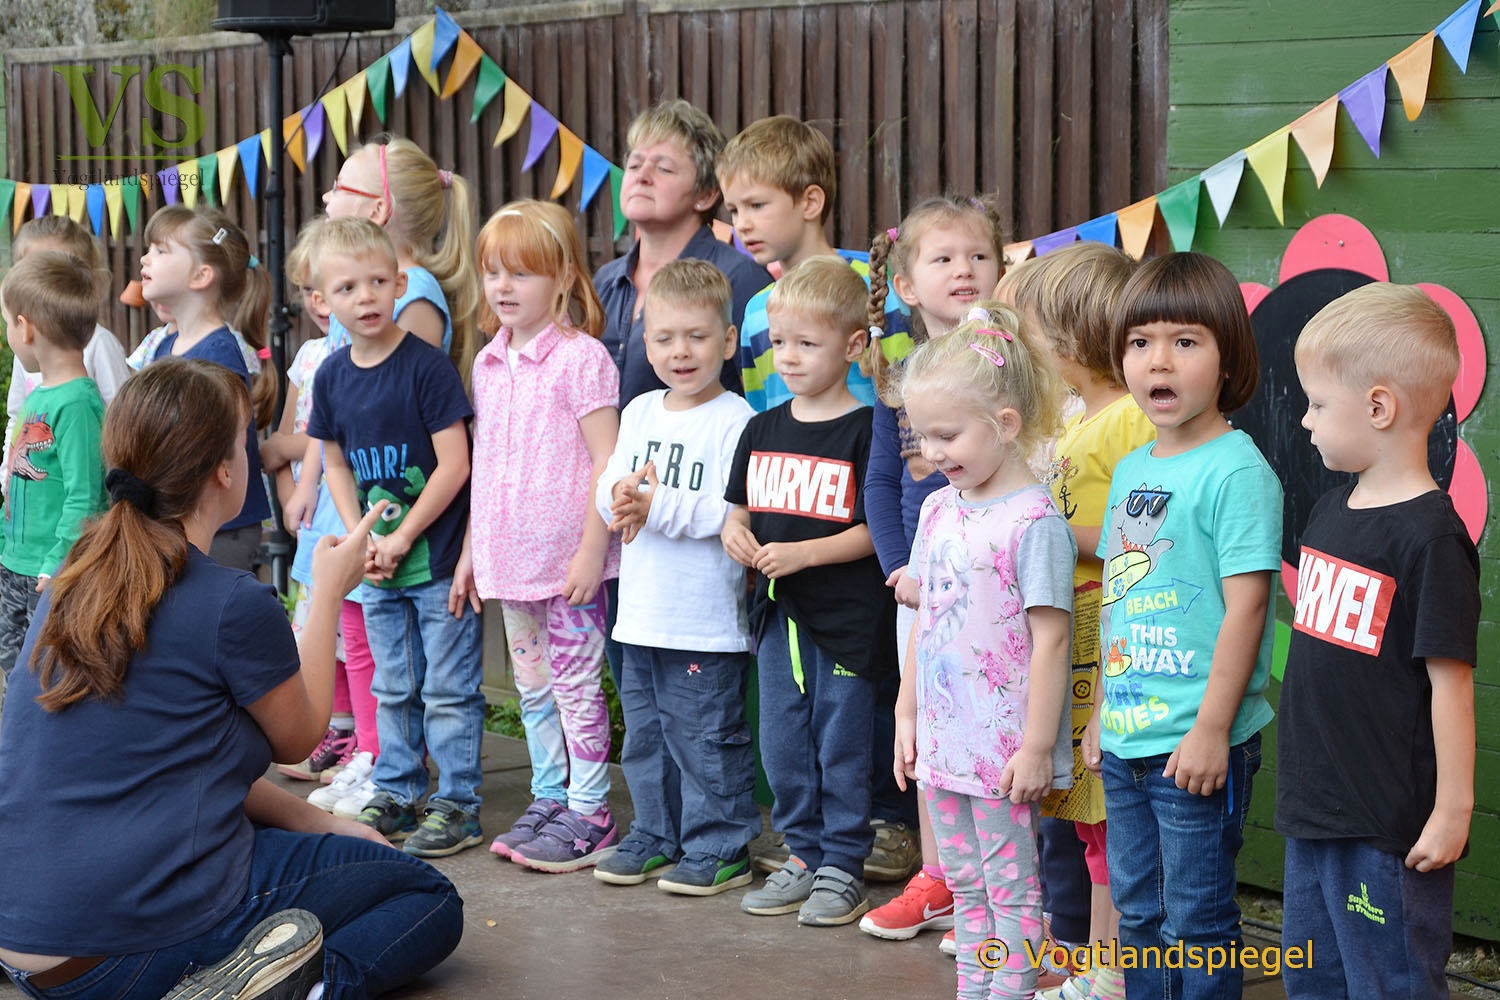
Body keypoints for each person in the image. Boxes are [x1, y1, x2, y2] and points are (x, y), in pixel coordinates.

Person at [0, 358, 462, 1000]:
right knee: (427, 895)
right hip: (117, 954)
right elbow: (300, 739)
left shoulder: (77, 576)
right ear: (224, 469)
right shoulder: (229, 602)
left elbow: (178, 769)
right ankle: (305, 989)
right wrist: (326, 594)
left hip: (28, 947)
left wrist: (320, 823)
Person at [1082, 252, 1281, 1000]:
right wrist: (1102, 708)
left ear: (1229, 358)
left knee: (1195, 921)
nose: (1158, 360)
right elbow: (1119, 597)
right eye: (1140, 342)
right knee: (1138, 913)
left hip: (1196, 746)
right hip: (1129, 736)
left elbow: (1249, 608)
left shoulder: (1237, 472)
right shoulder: (1133, 469)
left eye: (1185, 341)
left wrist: (1210, 729)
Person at [1277, 283, 1478, 1000]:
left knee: (1388, 981)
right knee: (1315, 978)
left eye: (1318, 404)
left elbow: (1451, 686)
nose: (1304, 421)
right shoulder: (1332, 508)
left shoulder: (1430, 537)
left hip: (1386, 825)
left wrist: (1452, 809)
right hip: (1315, 807)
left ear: (1380, 408)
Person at [893, 303, 1076, 1000]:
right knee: (964, 879)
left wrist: (1036, 746)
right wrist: (907, 714)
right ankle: (977, 985)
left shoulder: (1033, 524)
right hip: (942, 734)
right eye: (922, 434)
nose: (933, 452)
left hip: (1001, 746)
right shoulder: (940, 508)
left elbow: (1052, 637)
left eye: (947, 434)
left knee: (1011, 882)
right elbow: (928, 619)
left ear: (1004, 424)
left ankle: (1015, 987)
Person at [721, 257, 897, 926]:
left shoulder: (868, 428)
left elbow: (878, 531)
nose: (788, 358)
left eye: (807, 343)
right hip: (777, 619)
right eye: (780, 342)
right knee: (784, 745)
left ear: (853, 346)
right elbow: (737, 510)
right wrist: (735, 535)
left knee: (842, 744)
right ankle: (804, 852)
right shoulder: (761, 428)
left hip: (847, 622)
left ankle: (844, 866)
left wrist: (805, 553)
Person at [304, 218, 484, 859]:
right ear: (324, 302)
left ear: (400, 283)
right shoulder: (331, 378)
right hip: (376, 566)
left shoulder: (427, 369)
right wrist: (362, 541)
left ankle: (458, 801)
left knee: (448, 689)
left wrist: (402, 535)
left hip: (431, 561)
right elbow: (335, 465)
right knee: (392, 684)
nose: (367, 296)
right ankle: (400, 787)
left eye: (379, 282)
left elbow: (455, 464)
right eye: (349, 287)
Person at [454, 200, 621, 873]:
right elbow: (486, 464)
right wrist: (471, 550)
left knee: (578, 686)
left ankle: (591, 810)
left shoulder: (582, 360)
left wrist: (592, 548)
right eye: (493, 272)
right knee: (533, 689)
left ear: (561, 278)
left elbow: (608, 460)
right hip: (508, 561)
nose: (503, 287)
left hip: (568, 564)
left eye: (521, 273)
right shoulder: (489, 363)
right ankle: (549, 795)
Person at [858, 196, 1007, 947]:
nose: (963, 270)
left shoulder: (1010, 361)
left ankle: (998, 886)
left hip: (990, 578)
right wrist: (896, 569)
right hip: (920, 581)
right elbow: (883, 480)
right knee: (924, 732)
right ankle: (941, 876)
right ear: (909, 284)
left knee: (992, 729)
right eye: (943, 258)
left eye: (978, 256)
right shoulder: (899, 370)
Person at [591, 260, 759, 895]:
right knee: (646, 736)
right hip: (640, 616)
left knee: (706, 739)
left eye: (696, 336)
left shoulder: (735, 420)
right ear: (644, 341)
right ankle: (656, 834)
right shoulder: (638, 412)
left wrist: (652, 506)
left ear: (728, 340)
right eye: (664, 338)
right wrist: (622, 500)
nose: (680, 351)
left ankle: (721, 843)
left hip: (703, 622)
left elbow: (729, 512)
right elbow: (611, 483)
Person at [1005, 242, 1144, 1000]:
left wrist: (1045, 535)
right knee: (1087, 821)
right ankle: (1094, 959)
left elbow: (1137, 541)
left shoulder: (1122, 423)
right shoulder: (1080, 420)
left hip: (1102, 628)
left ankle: (1114, 965)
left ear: (1068, 337)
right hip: (1073, 627)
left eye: (1028, 334)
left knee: (1107, 814)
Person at [266, 220, 379, 808]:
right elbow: (292, 436)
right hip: (316, 512)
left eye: (323, 288)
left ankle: (365, 738)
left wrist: (304, 473)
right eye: (312, 291)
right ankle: (335, 726)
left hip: (344, 506)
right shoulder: (309, 355)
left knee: (350, 631)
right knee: (314, 622)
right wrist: (294, 484)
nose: (319, 302)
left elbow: (321, 437)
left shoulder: (346, 352)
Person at [716, 115, 911, 412]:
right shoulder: (757, 312)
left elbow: (907, 394)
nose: (742, 224)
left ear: (810, 202)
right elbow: (762, 415)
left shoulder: (877, 286)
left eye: (756, 205)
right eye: (734, 210)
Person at [595, 98, 771, 405]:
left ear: (705, 194)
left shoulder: (740, 278)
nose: (641, 175)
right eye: (634, 165)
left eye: (663, 168)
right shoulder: (605, 280)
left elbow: (768, 402)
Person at [138, 205, 274, 572]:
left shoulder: (220, 355)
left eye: (161, 250)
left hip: (219, 526)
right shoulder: (167, 346)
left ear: (201, 276)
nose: (144, 258)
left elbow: (212, 445)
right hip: (182, 518)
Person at [0, 252, 107, 681]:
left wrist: (57, 561)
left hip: (49, 576)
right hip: (15, 565)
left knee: (48, 681)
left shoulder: (79, 403)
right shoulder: (40, 394)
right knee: (14, 676)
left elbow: (88, 495)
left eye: (8, 323)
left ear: (26, 328)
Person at [316, 134, 480, 382]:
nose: (326, 196)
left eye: (339, 187)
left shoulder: (415, 296)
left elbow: (404, 405)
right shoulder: (354, 287)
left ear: (377, 210)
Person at [1, 217, 129, 492]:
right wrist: (7, 477)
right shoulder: (27, 349)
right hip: (40, 500)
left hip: (85, 495)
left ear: (89, 282)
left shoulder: (99, 344)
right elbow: (17, 418)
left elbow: (123, 419)